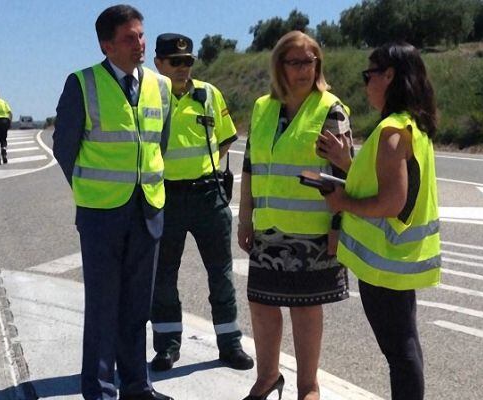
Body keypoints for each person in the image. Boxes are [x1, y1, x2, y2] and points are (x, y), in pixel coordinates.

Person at [52, 5, 174, 400]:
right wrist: (90, 190)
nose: (140, 44)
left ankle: (138, 385)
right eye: (129, 38)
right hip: (102, 214)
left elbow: (161, 143)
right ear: (107, 45)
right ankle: (100, 391)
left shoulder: (161, 86)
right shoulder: (82, 83)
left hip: (147, 209)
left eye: (141, 35)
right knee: (103, 308)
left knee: (138, 305)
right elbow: (64, 148)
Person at [321, 42, 442, 400]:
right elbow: (386, 182)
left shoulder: (391, 131)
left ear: (388, 76)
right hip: (400, 258)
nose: (365, 84)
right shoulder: (410, 125)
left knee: (401, 355)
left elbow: (391, 200)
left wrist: (340, 200)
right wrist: (348, 164)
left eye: (368, 75)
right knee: (406, 346)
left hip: (385, 262)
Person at [237, 30, 351, 400]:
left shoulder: (330, 109)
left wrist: (338, 226)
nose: (304, 69)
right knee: (262, 303)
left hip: (313, 231)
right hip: (268, 228)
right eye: (296, 62)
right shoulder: (262, 107)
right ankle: (267, 377)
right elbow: (251, 165)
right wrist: (244, 217)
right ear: (280, 66)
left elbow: (344, 176)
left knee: (305, 310)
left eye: (310, 61)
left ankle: (308, 386)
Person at [149, 33, 253, 372]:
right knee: (164, 277)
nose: (183, 68)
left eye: (188, 62)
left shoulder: (208, 94)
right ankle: (167, 346)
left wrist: (202, 170)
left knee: (220, 275)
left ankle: (230, 344)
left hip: (208, 195)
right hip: (166, 197)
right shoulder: (150, 98)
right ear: (158, 64)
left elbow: (226, 140)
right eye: (175, 62)